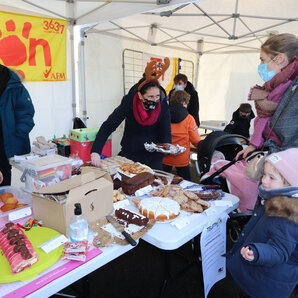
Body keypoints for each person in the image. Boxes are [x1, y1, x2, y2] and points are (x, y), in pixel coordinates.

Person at [226, 148, 298, 298]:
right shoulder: (278, 200)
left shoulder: (287, 215)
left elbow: (279, 251)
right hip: (263, 275)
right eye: (264, 174)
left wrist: (258, 252)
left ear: (291, 183)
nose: (263, 180)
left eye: (272, 178)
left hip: (268, 282)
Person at [91, 58, 171, 170]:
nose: (155, 100)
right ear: (140, 96)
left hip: (154, 156)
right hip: (131, 152)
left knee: (153, 183)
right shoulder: (129, 102)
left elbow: (166, 130)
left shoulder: (162, 105)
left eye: (157, 96)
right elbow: (109, 125)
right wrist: (96, 151)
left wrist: (166, 148)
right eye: (150, 97)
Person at [236, 33, 298, 159]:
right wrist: (254, 146)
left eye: (263, 59)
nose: (260, 65)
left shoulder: (292, 90)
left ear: (279, 59)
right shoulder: (279, 87)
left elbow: (288, 138)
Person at [0, 65, 35, 186]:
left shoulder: (13, 83)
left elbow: (26, 114)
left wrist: (16, 134)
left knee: (5, 187)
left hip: (6, 145)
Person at [162, 90, 201, 181]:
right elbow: (196, 140)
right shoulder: (189, 119)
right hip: (181, 157)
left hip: (165, 155)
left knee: (162, 182)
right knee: (185, 183)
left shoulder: (164, 115)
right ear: (184, 103)